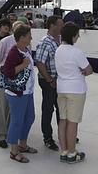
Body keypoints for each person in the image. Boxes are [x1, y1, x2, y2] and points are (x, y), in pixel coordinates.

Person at [55, 22, 93, 164]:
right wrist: (82, 71)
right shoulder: (76, 52)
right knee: (73, 122)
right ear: (72, 36)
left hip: (61, 88)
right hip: (76, 90)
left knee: (63, 120)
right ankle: (72, 153)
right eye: (77, 34)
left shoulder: (58, 50)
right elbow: (89, 70)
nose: (78, 37)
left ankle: (64, 151)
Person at [2, 25, 38, 164]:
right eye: (29, 36)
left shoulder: (25, 49)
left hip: (27, 91)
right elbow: (8, 72)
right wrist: (24, 64)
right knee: (17, 121)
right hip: (17, 93)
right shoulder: (13, 52)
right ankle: (14, 150)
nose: (31, 38)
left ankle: (23, 144)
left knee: (29, 117)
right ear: (22, 38)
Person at [34, 15, 64, 151]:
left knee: (61, 109)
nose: (62, 27)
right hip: (49, 82)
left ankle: (63, 134)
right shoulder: (45, 42)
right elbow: (39, 63)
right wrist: (50, 80)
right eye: (60, 24)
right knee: (48, 110)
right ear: (52, 25)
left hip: (60, 82)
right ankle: (48, 138)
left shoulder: (61, 41)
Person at [0, 21, 22, 148]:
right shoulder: (4, 42)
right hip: (5, 77)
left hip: (19, 78)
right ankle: (1, 135)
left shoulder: (25, 43)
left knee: (13, 107)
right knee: (3, 107)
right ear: (13, 29)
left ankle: (11, 132)